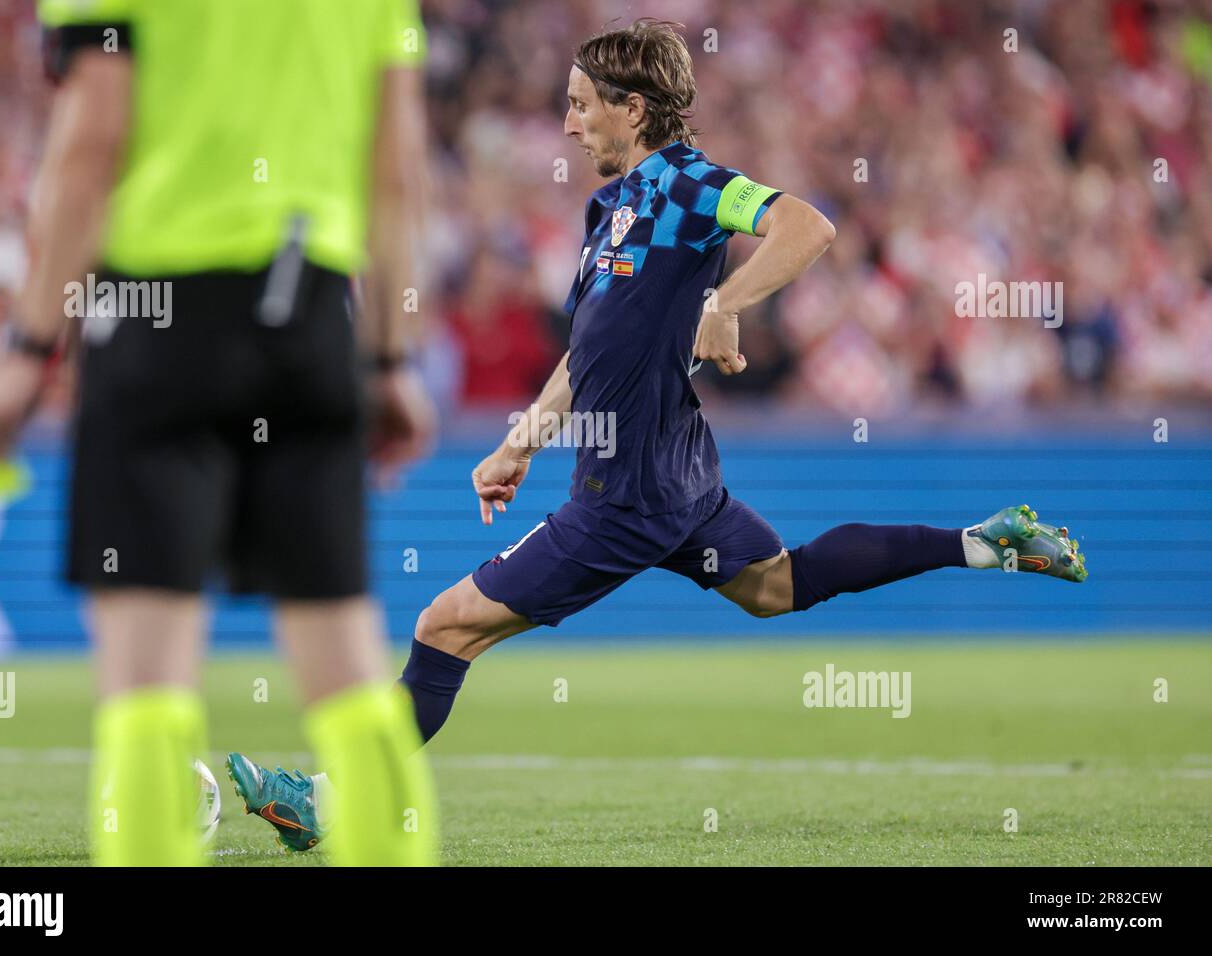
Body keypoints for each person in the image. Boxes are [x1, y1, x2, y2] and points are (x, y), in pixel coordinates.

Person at [230, 18, 1086, 851]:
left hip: (626, 497)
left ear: (631, 108)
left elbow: (808, 226)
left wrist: (723, 302)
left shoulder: (688, 185)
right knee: (778, 586)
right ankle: (984, 543)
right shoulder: (611, 210)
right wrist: (522, 441)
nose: (566, 122)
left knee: (443, 627)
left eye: (580, 103)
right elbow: (590, 347)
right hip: (682, 484)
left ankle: (326, 804)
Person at [0, 0, 439, 866]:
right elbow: (397, 162)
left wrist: (31, 346)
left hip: (157, 320)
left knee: (146, 680)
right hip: (310, 313)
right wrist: (389, 359)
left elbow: (92, 138)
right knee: (348, 670)